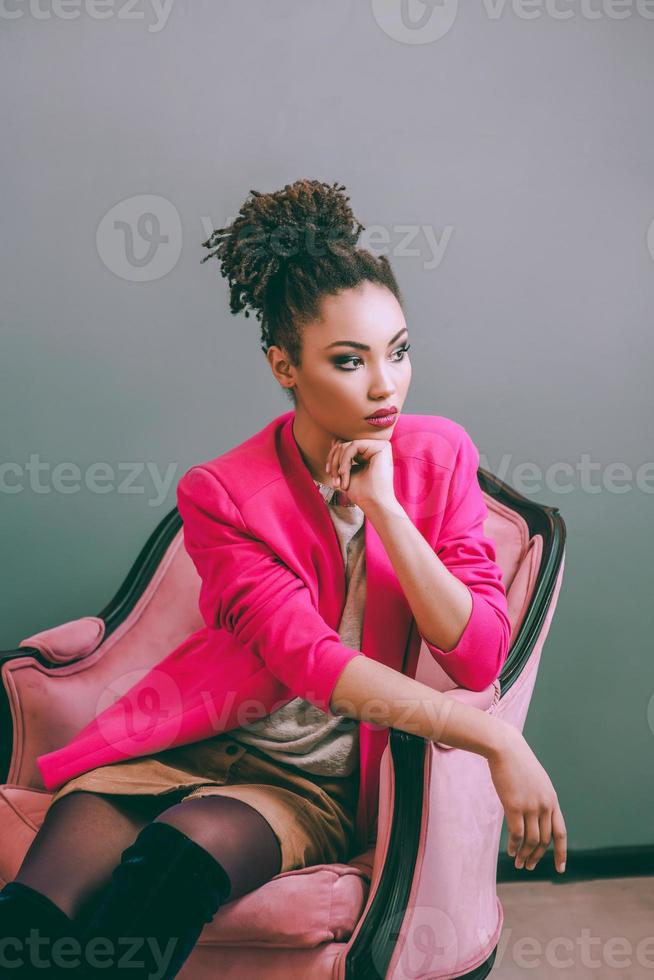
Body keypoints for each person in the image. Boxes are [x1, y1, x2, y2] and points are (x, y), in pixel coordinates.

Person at [0, 178, 567, 978]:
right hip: (195, 737)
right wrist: (492, 739)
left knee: (169, 868)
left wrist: (390, 513)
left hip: (307, 783)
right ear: (283, 365)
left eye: (398, 352)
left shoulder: (438, 457)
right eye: (348, 360)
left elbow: (476, 654)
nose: (385, 386)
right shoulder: (223, 492)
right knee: (31, 923)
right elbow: (313, 664)